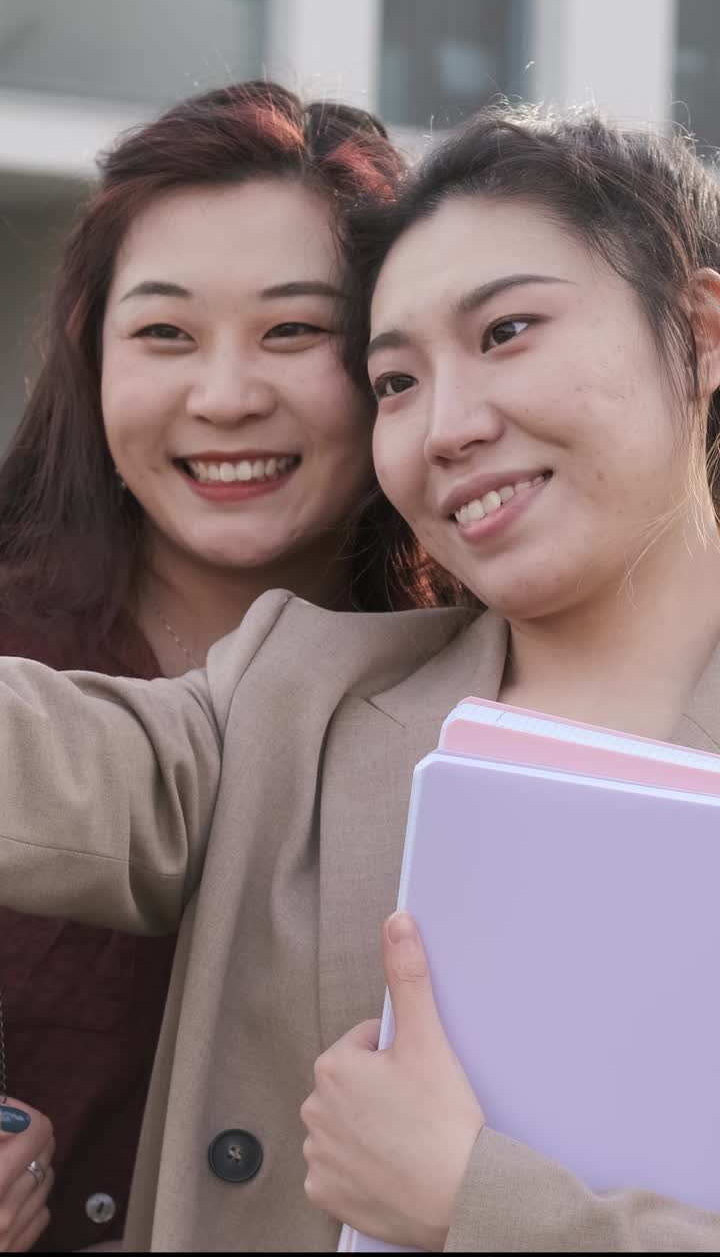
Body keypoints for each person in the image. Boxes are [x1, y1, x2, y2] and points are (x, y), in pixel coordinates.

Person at [0, 103, 718, 1252]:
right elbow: (54, 761)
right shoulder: (304, 692)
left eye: (506, 331)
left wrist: (471, 1200)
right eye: (394, 381)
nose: (446, 427)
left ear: (699, 329)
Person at [0, 78, 430, 1251]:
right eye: (164, 334)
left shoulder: (487, 685)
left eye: (294, 332)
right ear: (89, 359)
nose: (226, 397)